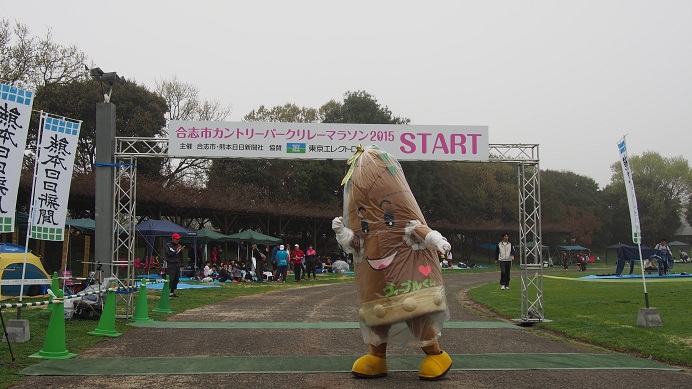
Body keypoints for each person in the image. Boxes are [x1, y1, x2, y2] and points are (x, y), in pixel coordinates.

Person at [165, 233, 184, 297]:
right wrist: (176, 251)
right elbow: (168, 254)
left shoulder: (179, 245)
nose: (178, 240)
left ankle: (172, 292)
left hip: (177, 263)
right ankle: (166, 292)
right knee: (170, 278)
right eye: (176, 239)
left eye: (178, 239)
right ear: (173, 239)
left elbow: (180, 256)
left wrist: (181, 251)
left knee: (176, 279)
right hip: (171, 264)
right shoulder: (168, 245)